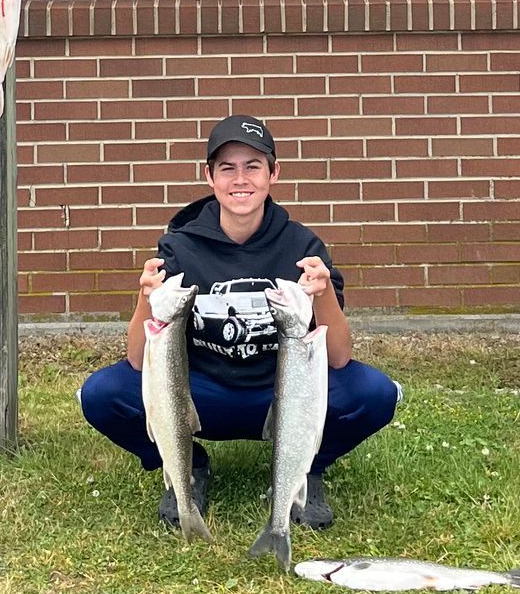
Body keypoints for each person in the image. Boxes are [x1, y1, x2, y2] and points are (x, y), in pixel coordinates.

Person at [79, 114, 399, 528]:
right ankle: (187, 466)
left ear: (273, 174)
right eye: (227, 168)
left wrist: (323, 298)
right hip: (201, 395)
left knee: (373, 392)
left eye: (253, 166)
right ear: (209, 177)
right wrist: (145, 300)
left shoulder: (302, 245)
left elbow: (338, 358)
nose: (240, 179)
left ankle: (304, 469)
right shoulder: (180, 245)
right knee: (103, 393)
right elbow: (139, 360)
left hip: (283, 394)